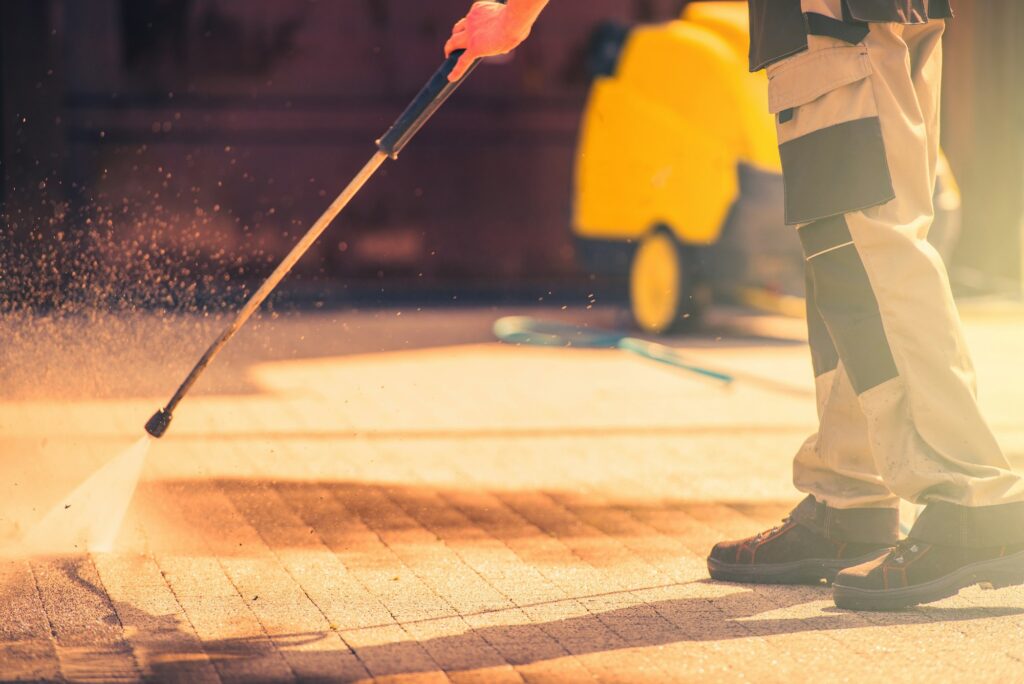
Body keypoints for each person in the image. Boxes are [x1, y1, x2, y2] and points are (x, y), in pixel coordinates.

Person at [446, 0, 1024, 611]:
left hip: (832, 20)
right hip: (868, 16)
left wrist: (515, 14)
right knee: (845, 251)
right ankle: (850, 497)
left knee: (862, 242)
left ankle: (972, 500)